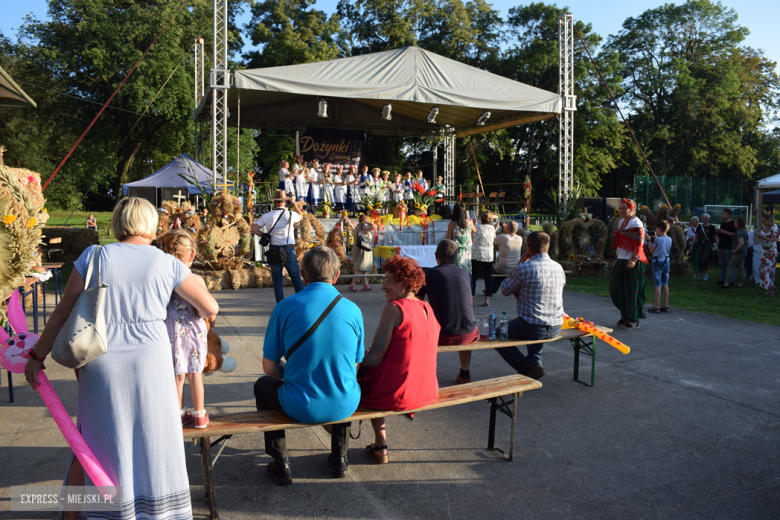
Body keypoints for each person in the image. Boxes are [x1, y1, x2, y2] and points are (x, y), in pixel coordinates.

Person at [24, 197, 218, 520]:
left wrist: (37, 356)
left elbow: (62, 311)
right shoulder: (166, 262)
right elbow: (210, 307)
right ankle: (159, 511)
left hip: (101, 360)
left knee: (99, 440)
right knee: (154, 437)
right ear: (151, 224)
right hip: (152, 362)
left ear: (117, 221)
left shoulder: (94, 256)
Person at [255, 246, 364, 484]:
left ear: (303, 276)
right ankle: (340, 459)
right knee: (343, 381)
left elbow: (269, 367)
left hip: (299, 404)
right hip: (345, 404)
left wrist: (295, 379)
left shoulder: (284, 307)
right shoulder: (354, 310)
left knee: (262, 385)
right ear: (336, 276)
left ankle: (281, 462)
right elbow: (355, 365)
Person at [359, 256, 439, 464]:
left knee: (361, 380)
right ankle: (379, 444)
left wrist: (354, 361)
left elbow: (375, 358)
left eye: (388, 281)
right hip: (428, 390)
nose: (383, 287)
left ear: (404, 284)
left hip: (400, 393)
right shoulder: (427, 308)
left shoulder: (394, 309)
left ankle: (380, 443)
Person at [158, 230, 210, 428]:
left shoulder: (165, 281)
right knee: (195, 374)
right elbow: (204, 308)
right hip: (193, 329)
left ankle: (178, 414)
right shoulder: (197, 280)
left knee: (178, 375)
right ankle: (199, 415)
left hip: (171, 330)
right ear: (192, 255)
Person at [497, 231, 565, 380]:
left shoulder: (524, 268)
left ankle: (525, 367)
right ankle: (534, 360)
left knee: (497, 333)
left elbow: (504, 290)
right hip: (556, 326)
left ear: (528, 249)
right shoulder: (559, 268)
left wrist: (518, 265)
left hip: (532, 327)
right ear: (547, 247)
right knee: (535, 321)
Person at [416, 240, 479, 384]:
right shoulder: (467, 274)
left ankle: (427, 374)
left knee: (421, 329)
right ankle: (465, 373)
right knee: (465, 322)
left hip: (440, 335)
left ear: (435, 255)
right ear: (456, 257)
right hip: (468, 334)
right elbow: (472, 304)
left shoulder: (427, 274)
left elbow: (417, 306)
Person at [251, 190, 305, 303]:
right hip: (288, 248)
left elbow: (254, 229)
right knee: (295, 277)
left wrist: (265, 235)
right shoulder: (290, 214)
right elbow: (301, 216)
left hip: (274, 249)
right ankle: (302, 303)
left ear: (275, 201)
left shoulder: (267, 215)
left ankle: (280, 304)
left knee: (277, 280)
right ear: (285, 201)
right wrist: (294, 204)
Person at [609, 198, 647, 329]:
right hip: (622, 259)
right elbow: (621, 244)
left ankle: (633, 319)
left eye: (624, 208)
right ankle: (625, 315)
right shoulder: (621, 223)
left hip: (633, 261)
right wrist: (617, 259)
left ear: (632, 209)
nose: (621, 210)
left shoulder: (636, 222)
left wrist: (634, 259)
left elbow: (639, 243)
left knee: (631, 290)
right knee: (616, 288)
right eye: (620, 208)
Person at [471, 210, 499, 307]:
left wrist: (473, 223)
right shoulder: (492, 228)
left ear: (481, 219)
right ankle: (487, 299)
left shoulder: (477, 227)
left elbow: (472, 235)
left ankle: (472, 297)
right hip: (488, 255)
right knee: (488, 277)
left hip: (476, 255)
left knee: (473, 277)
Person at [647, 220, 672, 313]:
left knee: (658, 285)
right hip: (666, 261)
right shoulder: (669, 238)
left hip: (657, 262)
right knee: (665, 284)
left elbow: (652, 250)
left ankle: (656, 306)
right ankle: (665, 305)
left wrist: (649, 240)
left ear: (660, 229)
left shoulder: (657, 240)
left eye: (656, 229)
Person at [446, 203, 476, 276]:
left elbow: (448, 239)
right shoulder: (469, 222)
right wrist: (473, 223)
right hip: (467, 251)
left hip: (455, 251)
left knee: (456, 271)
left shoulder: (452, 224)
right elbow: (475, 230)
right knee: (466, 271)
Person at [753, 213, 778, 296]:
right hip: (766, 250)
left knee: (768, 269)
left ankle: (769, 289)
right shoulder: (768, 228)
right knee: (764, 269)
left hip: (770, 251)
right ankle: (771, 286)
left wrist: (762, 236)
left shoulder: (774, 227)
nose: (764, 223)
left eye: (764, 221)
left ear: (769, 220)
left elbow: (773, 240)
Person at [350, 216, 376, 292]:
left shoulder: (359, 227)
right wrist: (366, 222)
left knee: (364, 269)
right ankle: (352, 284)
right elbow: (374, 226)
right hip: (362, 250)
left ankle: (366, 285)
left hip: (363, 249)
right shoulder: (363, 227)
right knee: (360, 268)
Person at [692, 213, 718, 281]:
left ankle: (706, 273)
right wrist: (692, 246)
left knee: (704, 258)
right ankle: (701, 275)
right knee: (700, 259)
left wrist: (718, 246)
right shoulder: (699, 227)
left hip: (708, 244)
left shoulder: (712, 227)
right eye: (703, 218)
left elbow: (715, 237)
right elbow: (696, 237)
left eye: (706, 218)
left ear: (708, 219)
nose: (704, 219)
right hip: (700, 244)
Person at [723, 218, 747, 289]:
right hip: (743, 252)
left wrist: (735, 251)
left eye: (736, 222)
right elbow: (746, 243)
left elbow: (741, 243)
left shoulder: (739, 232)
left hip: (739, 252)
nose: (734, 223)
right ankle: (740, 284)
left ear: (740, 223)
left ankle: (726, 284)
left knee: (729, 267)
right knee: (741, 268)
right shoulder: (744, 231)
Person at [716, 209, 736, 285]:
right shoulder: (722, 223)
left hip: (728, 247)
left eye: (724, 213)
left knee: (730, 265)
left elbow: (734, 234)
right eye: (722, 213)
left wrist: (724, 232)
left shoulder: (732, 223)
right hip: (721, 246)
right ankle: (721, 279)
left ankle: (731, 280)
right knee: (721, 264)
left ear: (729, 215)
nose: (722, 215)